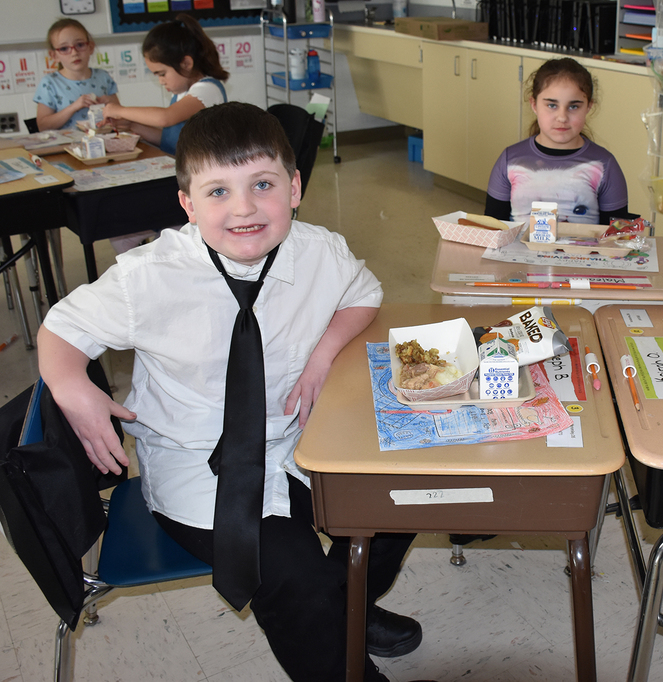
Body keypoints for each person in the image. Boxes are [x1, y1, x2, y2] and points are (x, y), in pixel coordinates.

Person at [37, 102, 426, 682]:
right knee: (292, 578)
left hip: (297, 439)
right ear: (188, 205)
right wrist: (72, 385)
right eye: (217, 192)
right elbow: (61, 331)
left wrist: (322, 357)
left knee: (410, 492)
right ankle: (328, 625)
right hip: (201, 466)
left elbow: (362, 295)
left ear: (294, 188)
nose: (243, 208)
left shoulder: (318, 250)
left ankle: (343, 607)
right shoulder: (148, 276)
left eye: (262, 185)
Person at [484, 57, 630, 226]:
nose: (562, 117)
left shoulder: (605, 164)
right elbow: (492, 231)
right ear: (534, 104)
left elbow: (617, 238)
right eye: (552, 105)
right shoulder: (509, 160)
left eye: (574, 106)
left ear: (588, 107)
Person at [103, 14, 228, 155]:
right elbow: (170, 141)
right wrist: (133, 125)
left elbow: (164, 118)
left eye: (162, 74)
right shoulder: (182, 93)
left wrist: (119, 110)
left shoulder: (208, 90)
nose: (161, 81)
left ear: (186, 64)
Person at [34, 19, 120, 131]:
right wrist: (74, 107)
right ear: (54, 55)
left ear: (90, 47)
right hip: (66, 146)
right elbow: (43, 126)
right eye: (64, 48)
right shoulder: (50, 83)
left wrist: (110, 104)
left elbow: (121, 115)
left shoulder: (103, 77)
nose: (74, 53)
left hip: (102, 142)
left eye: (80, 45)